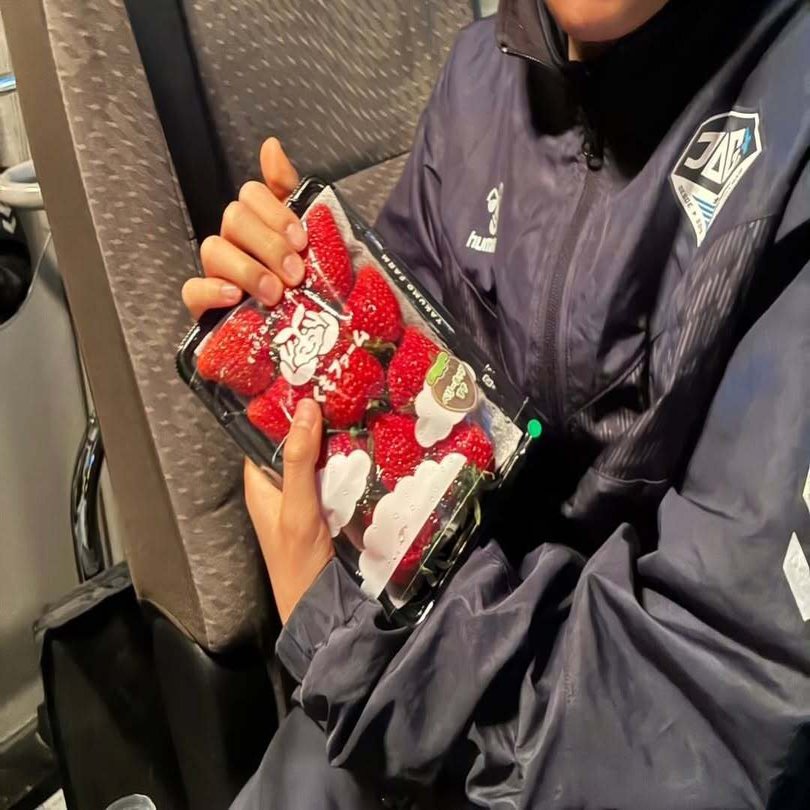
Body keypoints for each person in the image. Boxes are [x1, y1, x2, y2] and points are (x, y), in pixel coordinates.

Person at [182, 0, 810, 806]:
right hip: (431, 653)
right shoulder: (481, 77)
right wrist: (297, 328)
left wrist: (345, 635)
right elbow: (409, 398)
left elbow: (709, 724)